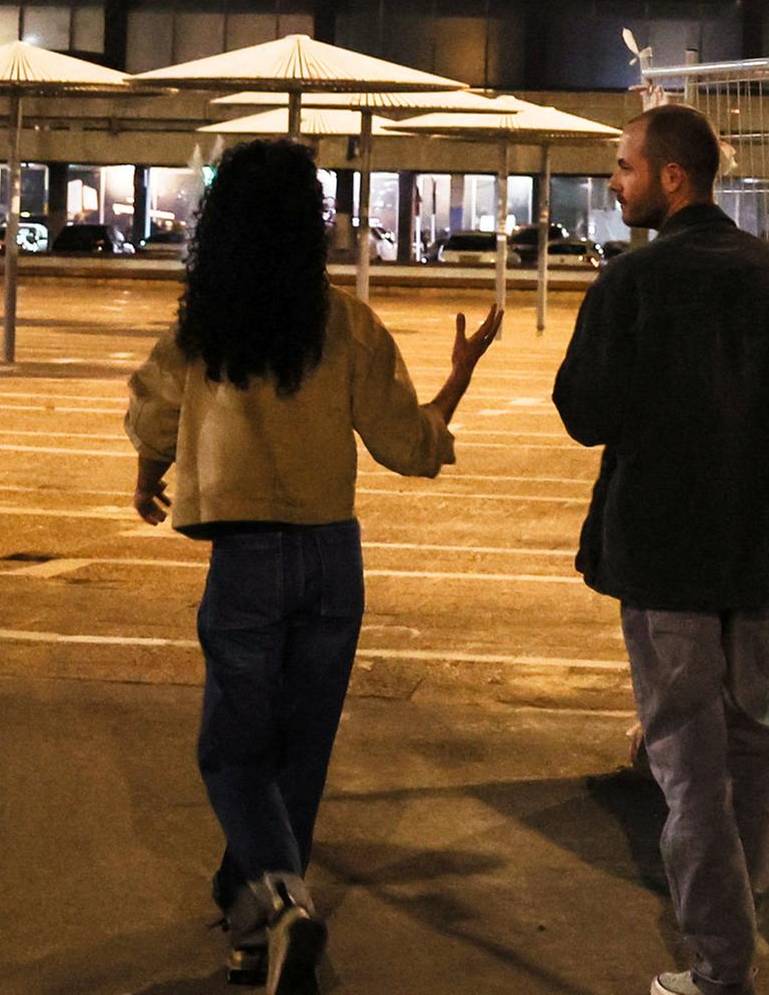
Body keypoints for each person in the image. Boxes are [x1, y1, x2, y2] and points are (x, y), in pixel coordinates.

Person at [127, 137, 501, 992]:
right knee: (298, 752)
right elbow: (409, 445)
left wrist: (148, 474)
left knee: (232, 750)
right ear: (311, 224)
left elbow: (154, 407)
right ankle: (252, 922)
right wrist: (458, 379)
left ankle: (285, 901)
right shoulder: (345, 324)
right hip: (334, 557)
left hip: (246, 554)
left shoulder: (204, 324)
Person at [554, 104, 769, 995]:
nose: (614, 182)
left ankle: (721, 966)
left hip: (669, 555)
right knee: (747, 734)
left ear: (672, 177)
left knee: (687, 760)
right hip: (765, 554)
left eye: (625, 167)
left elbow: (582, 412)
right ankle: (737, 926)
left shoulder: (634, 284)